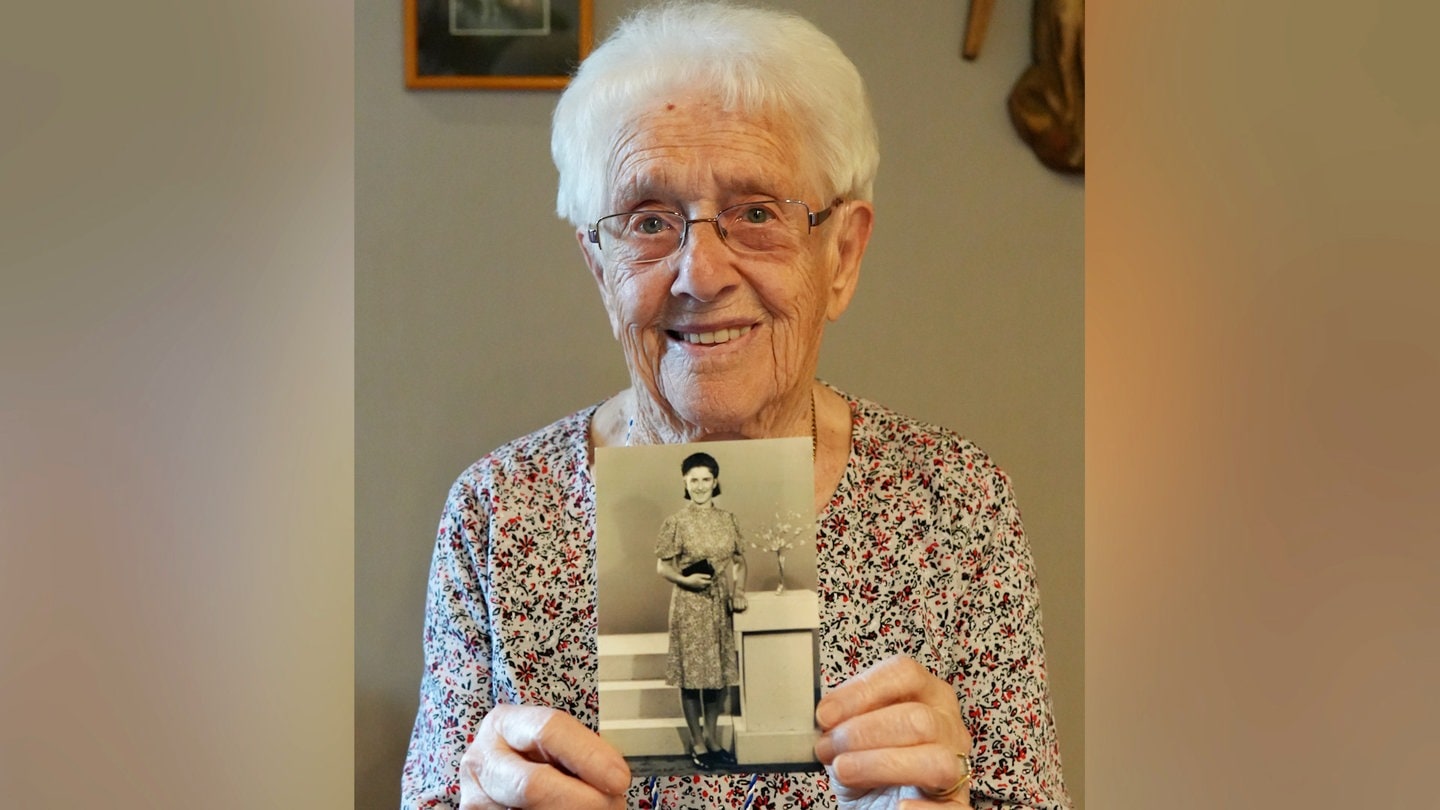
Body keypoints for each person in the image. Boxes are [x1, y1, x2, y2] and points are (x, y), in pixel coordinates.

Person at [401, 2, 1074, 809]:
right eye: (649, 220)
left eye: (757, 214)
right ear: (598, 264)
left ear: (843, 254)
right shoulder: (496, 514)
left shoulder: (956, 504)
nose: (700, 273)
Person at [654, 451, 749, 771]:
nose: (699, 486)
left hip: (719, 603)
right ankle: (697, 742)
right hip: (689, 604)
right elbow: (662, 566)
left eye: (705, 479)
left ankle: (713, 739)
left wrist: (738, 592)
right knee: (692, 677)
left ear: (715, 481)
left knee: (718, 675)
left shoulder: (729, 519)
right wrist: (685, 579)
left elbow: (739, 562)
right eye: (693, 480)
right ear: (684, 481)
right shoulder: (676, 522)